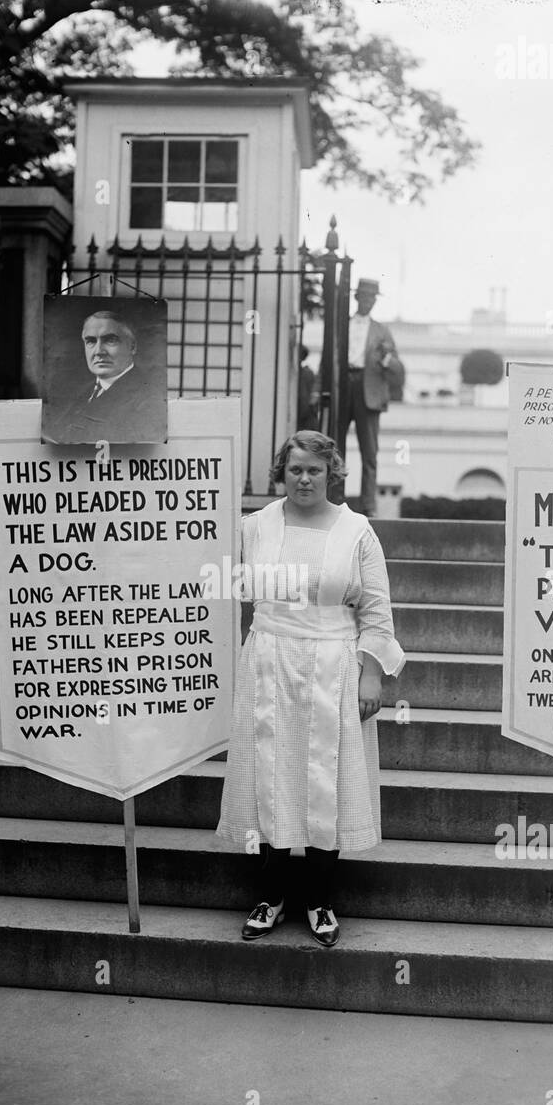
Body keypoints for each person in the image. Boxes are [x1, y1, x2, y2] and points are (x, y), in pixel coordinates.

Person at [216, 430, 403, 947]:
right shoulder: (254, 527)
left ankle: (320, 902)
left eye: (314, 470)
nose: (304, 478)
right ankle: (271, 898)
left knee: (327, 780)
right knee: (269, 778)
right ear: (282, 471)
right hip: (269, 659)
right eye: (295, 469)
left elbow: (376, 610)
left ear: (331, 473)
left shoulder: (357, 531)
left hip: (333, 665)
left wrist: (371, 673)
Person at [337, 277, 404, 517]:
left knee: (369, 453)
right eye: (365, 297)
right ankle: (335, 501)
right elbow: (329, 356)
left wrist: (386, 358)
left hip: (370, 390)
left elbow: (397, 368)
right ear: (356, 298)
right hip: (343, 385)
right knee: (335, 448)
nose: (368, 302)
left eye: (372, 298)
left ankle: (369, 506)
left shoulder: (382, 330)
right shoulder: (341, 324)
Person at [43, 310, 157, 444]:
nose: (98, 352)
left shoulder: (148, 398)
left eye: (110, 340)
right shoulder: (81, 392)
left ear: (132, 346)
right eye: (91, 341)